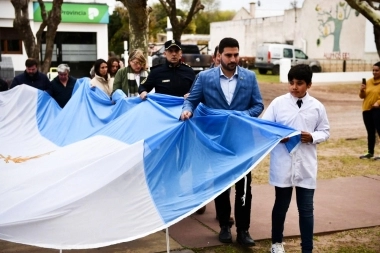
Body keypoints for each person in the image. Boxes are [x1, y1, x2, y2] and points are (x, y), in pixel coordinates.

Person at [181, 37, 264, 247]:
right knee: (222, 185)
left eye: (236, 54)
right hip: (216, 142)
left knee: (244, 187)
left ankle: (244, 230)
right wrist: (187, 110)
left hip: (242, 142)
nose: (233, 59)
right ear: (219, 55)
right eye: (228, 55)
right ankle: (225, 226)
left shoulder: (250, 77)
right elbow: (191, 99)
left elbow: (258, 105)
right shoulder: (205, 77)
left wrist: (241, 115)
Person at [261, 64, 330, 253]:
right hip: (283, 161)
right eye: (291, 83)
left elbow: (325, 131)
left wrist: (313, 137)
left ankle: (307, 248)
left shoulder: (317, 106)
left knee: (306, 209)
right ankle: (276, 243)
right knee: (281, 205)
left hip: (305, 164)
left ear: (309, 84)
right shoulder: (278, 103)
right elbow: (265, 127)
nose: (294, 87)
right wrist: (278, 137)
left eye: (299, 83)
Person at [359, 61, 380, 160]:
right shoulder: (368, 82)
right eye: (373, 70)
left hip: (378, 110)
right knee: (370, 132)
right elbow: (362, 96)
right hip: (367, 110)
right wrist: (362, 90)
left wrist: (378, 103)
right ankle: (370, 152)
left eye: (377, 70)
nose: (374, 72)